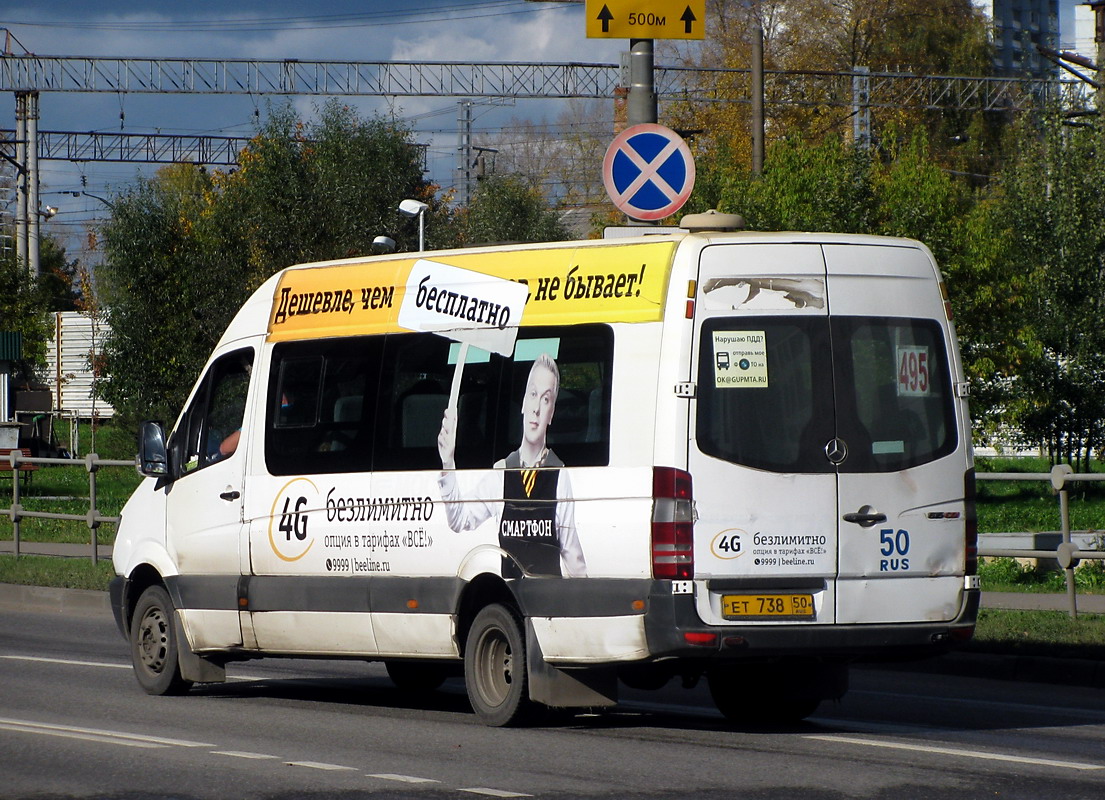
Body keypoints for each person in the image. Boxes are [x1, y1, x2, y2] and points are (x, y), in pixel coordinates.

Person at [437, 353, 587, 578]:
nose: (536, 408)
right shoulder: (502, 472)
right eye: (533, 394)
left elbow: (573, 557)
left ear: (551, 413)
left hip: (549, 602)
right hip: (512, 597)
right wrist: (448, 462)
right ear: (523, 403)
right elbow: (460, 520)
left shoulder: (559, 474)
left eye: (546, 399)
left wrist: (582, 604)